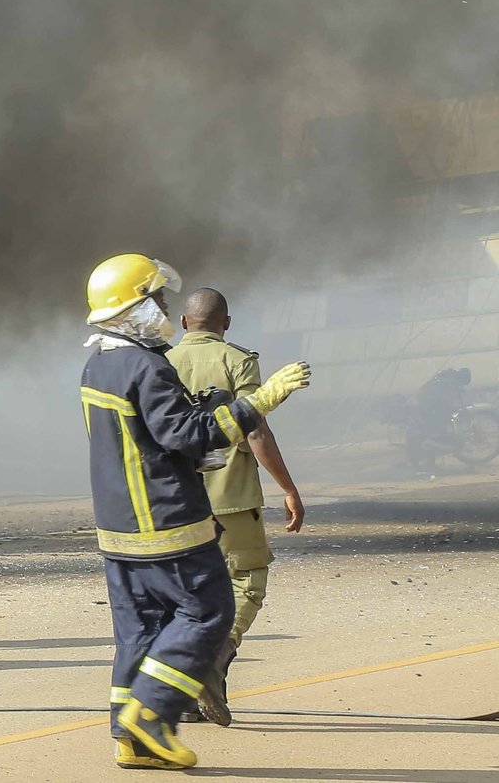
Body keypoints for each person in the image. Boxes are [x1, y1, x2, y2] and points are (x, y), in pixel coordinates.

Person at [80, 254, 310, 771]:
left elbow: (148, 438)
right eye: (155, 297)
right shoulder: (145, 364)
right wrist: (261, 400)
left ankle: (129, 735)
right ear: (134, 307)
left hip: (118, 527)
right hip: (167, 521)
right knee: (209, 612)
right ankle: (152, 717)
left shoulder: (99, 364)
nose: (162, 306)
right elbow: (188, 434)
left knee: (139, 628)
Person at [166, 288, 305, 727]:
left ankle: (187, 694)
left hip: (176, 500)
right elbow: (255, 429)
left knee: (186, 594)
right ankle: (216, 656)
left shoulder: (160, 363)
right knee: (247, 579)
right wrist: (288, 487)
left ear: (184, 323)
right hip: (231, 498)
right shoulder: (237, 360)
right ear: (225, 323)